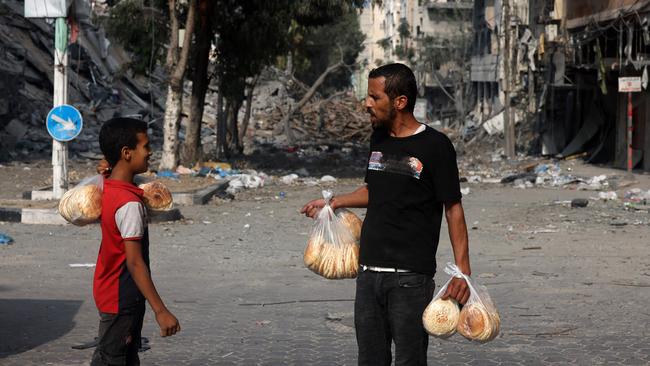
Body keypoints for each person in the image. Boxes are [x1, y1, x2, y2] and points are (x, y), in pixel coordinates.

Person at [301, 63, 471, 366]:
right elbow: (374, 189)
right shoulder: (378, 138)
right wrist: (334, 202)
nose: (367, 103)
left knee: (409, 360)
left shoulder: (435, 146)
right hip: (368, 275)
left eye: (374, 97)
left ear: (399, 101)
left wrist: (463, 272)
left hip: (410, 280)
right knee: (370, 360)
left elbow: (453, 209)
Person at [91, 118, 180, 366]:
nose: (150, 152)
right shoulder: (129, 204)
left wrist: (108, 168)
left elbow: (113, 175)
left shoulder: (110, 187)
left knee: (123, 358)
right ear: (126, 153)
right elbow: (135, 262)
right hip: (123, 298)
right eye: (145, 146)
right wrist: (160, 311)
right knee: (111, 360)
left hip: (111, 292)